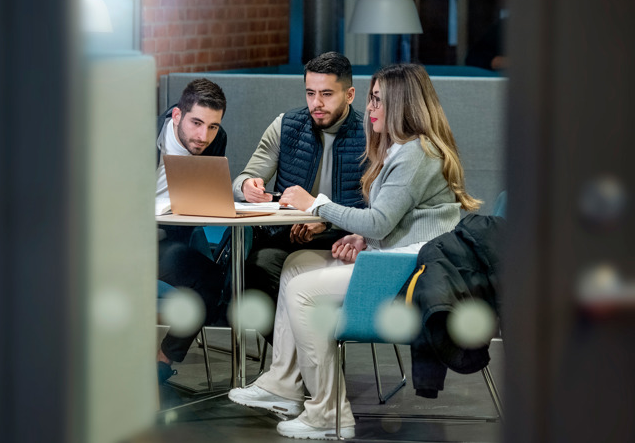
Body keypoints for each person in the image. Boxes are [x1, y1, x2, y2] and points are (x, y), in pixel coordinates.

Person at [228, 63, 482, 440]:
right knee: (296, 264)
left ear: (402, 104)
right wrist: (363, 238)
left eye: (379, 99)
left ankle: (328, 412)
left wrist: (317, 206)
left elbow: (380, 221)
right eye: (372, 97)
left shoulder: (415, 155)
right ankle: (282, 384)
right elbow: (398, 218)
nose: (372, 106)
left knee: (302, 292)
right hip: (395, 256)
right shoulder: (405, 148)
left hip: (410, 269)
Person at [231, 51, 366, 342]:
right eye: (310, 93)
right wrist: (247, 187)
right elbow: (243, 178)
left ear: (350, 94)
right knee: (255, 270)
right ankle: (301, 360)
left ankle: (299, 367)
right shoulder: (286, 126)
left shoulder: (371, 134)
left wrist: (325, 222)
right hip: (290, 235)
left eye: (327, 94)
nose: (316, 104)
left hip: (346, 238)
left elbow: (374, 209)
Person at [156, 78, 228, 385]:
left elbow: (203, 192)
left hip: (166, 240)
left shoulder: (216, 139)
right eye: (197, 123)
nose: (204, 136)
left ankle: (161, 361)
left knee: (211, 279)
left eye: (212, 126)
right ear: (176, 115)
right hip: (117, 242)